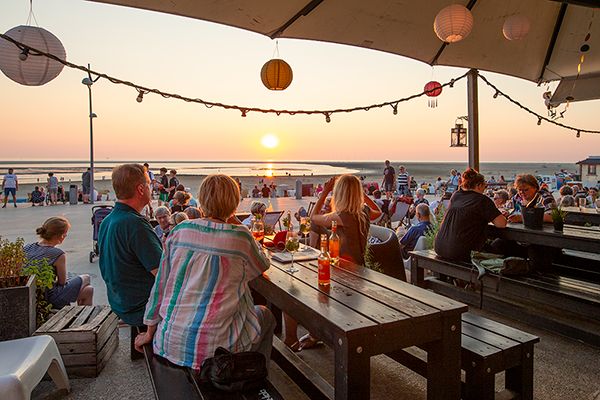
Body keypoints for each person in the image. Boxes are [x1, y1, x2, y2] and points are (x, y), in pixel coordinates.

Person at [134, 174, 275, 371]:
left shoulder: (180, 231)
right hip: (216, 352)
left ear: (202, 200)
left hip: (170, 343)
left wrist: (149, 332)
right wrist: (234, 220)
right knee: (266, 315)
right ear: (234, 203)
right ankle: (254, 376)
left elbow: (161, 285)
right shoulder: (240, 237)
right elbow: (261, 265)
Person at [283, 175, 381, 352]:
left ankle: (298, 338)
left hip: (344, 275)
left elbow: (313, 217)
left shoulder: (341, 216)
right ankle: (312, 332)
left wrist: (325, 192)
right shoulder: (363, 212)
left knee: (293, 289)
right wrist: (363, 196)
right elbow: (378, 212)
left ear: (339, 194)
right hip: (359, 270)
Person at [98, 164, 163, 332]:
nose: (151, 188)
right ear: (141, 189)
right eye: (149, 184)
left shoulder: (108, 220)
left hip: (119, 301)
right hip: (140, 308)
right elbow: (163, 275)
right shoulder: (134, 224)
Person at [434, 169, 507, 262]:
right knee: (504, 245)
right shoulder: (482, 200)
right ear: (478, 185)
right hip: (462, 252)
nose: (486, 187)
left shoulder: (456, 195)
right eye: (485, 185)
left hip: (440, 247)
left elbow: (468, 215)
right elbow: (502, 224)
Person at [25, 217, 94, 308]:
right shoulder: (58, 254)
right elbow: (62, 282)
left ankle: (80, 315)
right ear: (60, 235)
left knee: (89, 290)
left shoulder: (28, 247)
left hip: (32, 294)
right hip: (50, 297)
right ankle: (82, 317)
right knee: (86, 278)